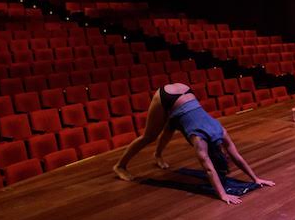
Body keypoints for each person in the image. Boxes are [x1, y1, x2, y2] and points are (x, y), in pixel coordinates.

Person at [113, 83, 275, 205]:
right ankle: (120, 166)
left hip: (184, 91)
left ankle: (157, 155)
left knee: (170, 128)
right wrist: (222, 195)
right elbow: (209, 169)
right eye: (225, 155)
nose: (227, 154)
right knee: (149, 136)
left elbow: (237, 157)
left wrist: (256, 179)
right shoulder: (200, 140)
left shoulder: (221, 130)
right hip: (166, 97)